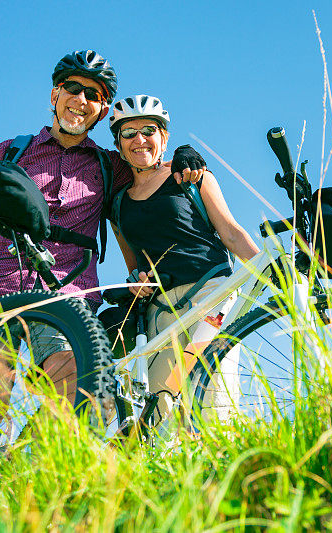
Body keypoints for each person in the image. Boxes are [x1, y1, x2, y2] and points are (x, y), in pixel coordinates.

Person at [0, 51, 207, 407]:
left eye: (94, 95)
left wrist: (184, 156)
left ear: (102, 109)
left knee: (77, 389)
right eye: (73, 87)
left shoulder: (111, 165)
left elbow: (148, 161)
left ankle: (43, 461)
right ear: (55, 94)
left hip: (66, 293)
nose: (81, 100)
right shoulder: (12, 150)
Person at [108, 95, 259, 425]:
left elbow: (230, 232)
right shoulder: (118, 205)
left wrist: (268, 269)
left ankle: (229, 467)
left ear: (163, 136)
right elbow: (133, 265)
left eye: (149, 129)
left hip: (213, 293)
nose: (139, 139)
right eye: (128, 133)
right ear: (118, 142)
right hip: (161, 311)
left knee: (211, 386)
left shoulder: (193, 177)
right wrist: (137, 281)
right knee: (159, 405)